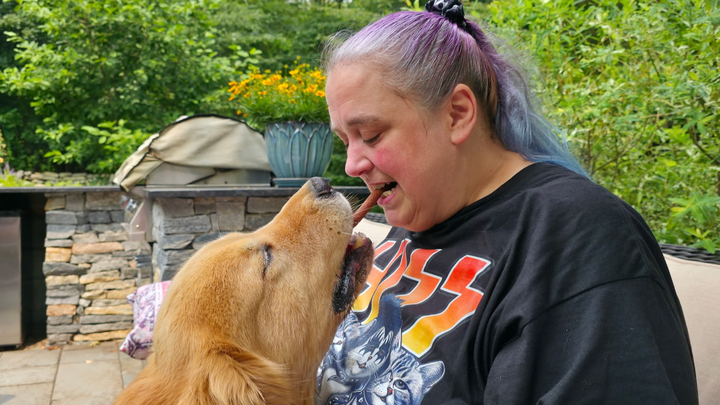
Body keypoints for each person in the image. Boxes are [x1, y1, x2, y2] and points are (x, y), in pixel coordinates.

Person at [315, 0, 699, 404]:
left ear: (457, 114)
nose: (352, 165)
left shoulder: (577, 237)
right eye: (345, 141)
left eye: (371, 135)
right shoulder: (419, 211)